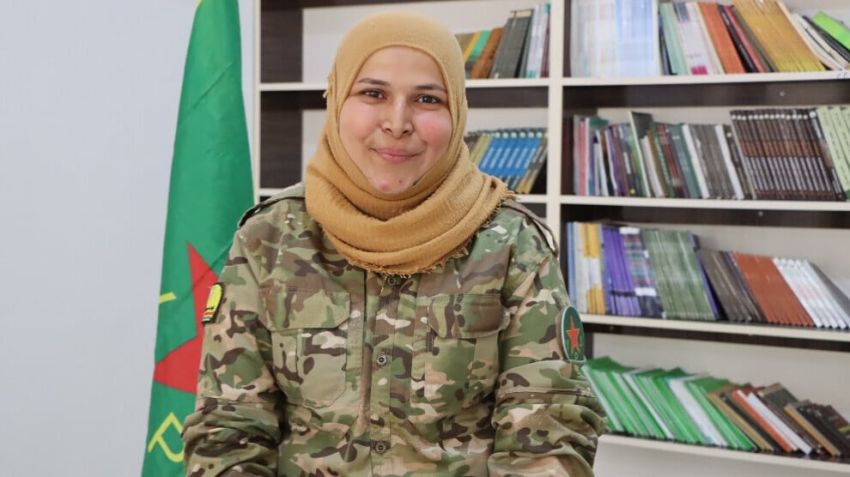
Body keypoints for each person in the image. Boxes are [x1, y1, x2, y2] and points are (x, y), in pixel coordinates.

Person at [182, 11, 606, 477]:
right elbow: (229, 425)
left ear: (457, 112)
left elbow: (548, 426)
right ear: (336, 100)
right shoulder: (270, 237)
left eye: (427, 99)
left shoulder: (510, 243)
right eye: (373, 93)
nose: (397, 122)